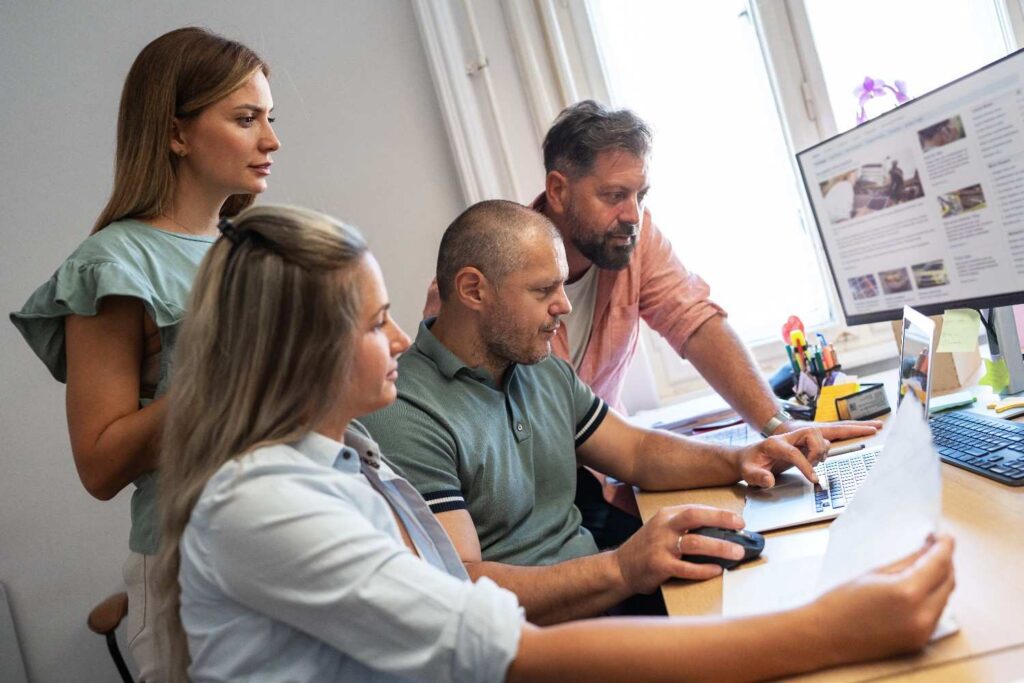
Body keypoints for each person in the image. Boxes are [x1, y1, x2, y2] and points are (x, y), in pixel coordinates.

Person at [155, 204, 955, 682]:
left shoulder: (336, 464)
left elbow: (630, 454)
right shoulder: (264, 503)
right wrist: (838, 625)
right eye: (372, 323)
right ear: (296, 351)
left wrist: (749, 453)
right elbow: (503, 647)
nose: (398, 337)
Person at [362, 200, 879, 623]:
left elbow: (634, 450)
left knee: (799, 594)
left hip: (607, 600)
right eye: (544, 291)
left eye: (562, 286)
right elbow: (463, 584)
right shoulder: (403, 410)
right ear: (473, 290)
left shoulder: (539, 366)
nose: (563, 306)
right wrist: (622, 569)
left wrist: (744, 457)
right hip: (539, 642)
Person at [423, 101, 879, 543]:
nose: (633, 215)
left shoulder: (630, 242)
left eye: (640, 195)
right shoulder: (480, 296)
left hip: (607, 461)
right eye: (614, 195)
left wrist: (777, 427)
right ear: (559, 191)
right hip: (538, 502)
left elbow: (696, 324)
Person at [9, 27, 279, 679]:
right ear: (176, 132)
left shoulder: (251, 248)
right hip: (194, 568)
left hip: (284, 534)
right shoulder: (114, 263)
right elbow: (100, 464)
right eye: (246, 120)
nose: (271, 141)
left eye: (270, 119)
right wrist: (220, 380)